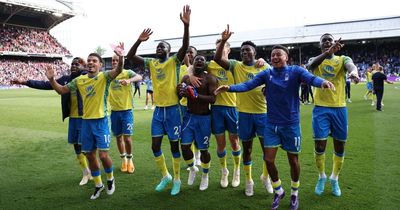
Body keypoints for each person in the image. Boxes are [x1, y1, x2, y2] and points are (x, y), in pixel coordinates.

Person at [215, 45, 335, 210]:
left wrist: (323, 82)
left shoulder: (295, 71)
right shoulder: (267, 73)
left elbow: (311, 78)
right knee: (268, 159)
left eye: (279, 54)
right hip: (271, 125)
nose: (275, 57)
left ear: (286, 57)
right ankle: (278, 190)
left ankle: (294, 193)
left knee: (293, 161)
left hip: (291, 125)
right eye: (272, 55)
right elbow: (248, 85)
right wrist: (230, 88)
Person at [45, 44, 124, 200]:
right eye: (89, 60)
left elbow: (119, 70)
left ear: (100, 65)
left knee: (102, 155)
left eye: (94, 60)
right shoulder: (79, 80)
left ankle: (110, 178)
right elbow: (62, 90)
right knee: (89, 155)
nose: (90, 63)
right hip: (85, 123)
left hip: (101, 122)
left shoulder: (105, 77)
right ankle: (98, 184)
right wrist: (52, 79)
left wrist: (121, 56)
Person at [126, 5, 191, 196]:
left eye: (163, 47)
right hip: (158, 111)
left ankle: (177, 179)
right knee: (155, 146)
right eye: (157, 46)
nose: (159, 48)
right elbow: (129, 56)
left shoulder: (174, 62)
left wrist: (186, 26)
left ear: (170, 51)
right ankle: (166, 176)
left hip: (173, 110)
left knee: (173, 146)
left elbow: (185, 47)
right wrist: (139, 40)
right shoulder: (151, 63)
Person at [11, 57, 92, 186]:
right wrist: (24, 81)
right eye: (72, 64)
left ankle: (94, 172)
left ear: (84, 66)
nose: (74, 66)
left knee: (87, 148)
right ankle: (85, 173)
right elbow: (45, 84)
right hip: (73, 119)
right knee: (77, 146)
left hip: (86, 118)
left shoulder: (87, 77)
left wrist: (86, 70)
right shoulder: (66, 79)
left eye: (77, 64)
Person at [214, 25, 272, 196]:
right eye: (242, 51)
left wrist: (267, 87)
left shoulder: (264, 67)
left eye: (248, 50)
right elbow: (218, 59)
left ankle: (266, 177)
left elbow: (275, 84)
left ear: (255, 52)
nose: (244, 53)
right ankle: (249, 180)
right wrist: (224, 40)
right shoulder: (235, 65)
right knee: (246, 149)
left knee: (267, 149)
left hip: (263, 113)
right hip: (244, 114)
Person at [306, 34, 360, 198]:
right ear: (320, 45)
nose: (327, 42)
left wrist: (354, 73)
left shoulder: (343, 58)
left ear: (335, 42)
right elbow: (310, 66)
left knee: (339, 146)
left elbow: (351, 66)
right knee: (320, 146)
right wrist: (327, 52)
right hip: (321, 109)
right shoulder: (315, 60)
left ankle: (334, 178)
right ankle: (321, 176)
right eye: (324, 40)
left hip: (339, 109)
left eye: (330, 40)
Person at [179, 54, 218, 191]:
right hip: (189, 116)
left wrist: (196, 95)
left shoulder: (210, 79)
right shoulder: (186, 78)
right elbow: (179, 94)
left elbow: (213, 99)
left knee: (204, 150)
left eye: (202, 59)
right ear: (193, 63)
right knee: (184, 147)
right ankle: (192, 168)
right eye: (197, 59)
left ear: (205, 64)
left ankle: (205, 175)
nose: (200, 61)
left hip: (204, 118)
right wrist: (181, 91)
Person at [108, 54, 143, 174]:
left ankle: (130, 159)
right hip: (114, 111)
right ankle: (123, 159)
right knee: (118, 137)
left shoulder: (127, 72)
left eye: (116, 60)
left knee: (127, 138)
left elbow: (139, 77)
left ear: (121, 61)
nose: (114, 62)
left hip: (127, 110)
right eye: (113, 60)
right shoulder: (109, 75)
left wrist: (129, 80)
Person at [179, 46, 201, 166]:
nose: (188, 54)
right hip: (184, 105)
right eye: (186, 52)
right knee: (187, 132)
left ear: (195, 54)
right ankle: (191, 158)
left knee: (197, 131)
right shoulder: (180, 68)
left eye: (191, 52)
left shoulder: (201, 67)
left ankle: (198, 156)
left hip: (198, 105)